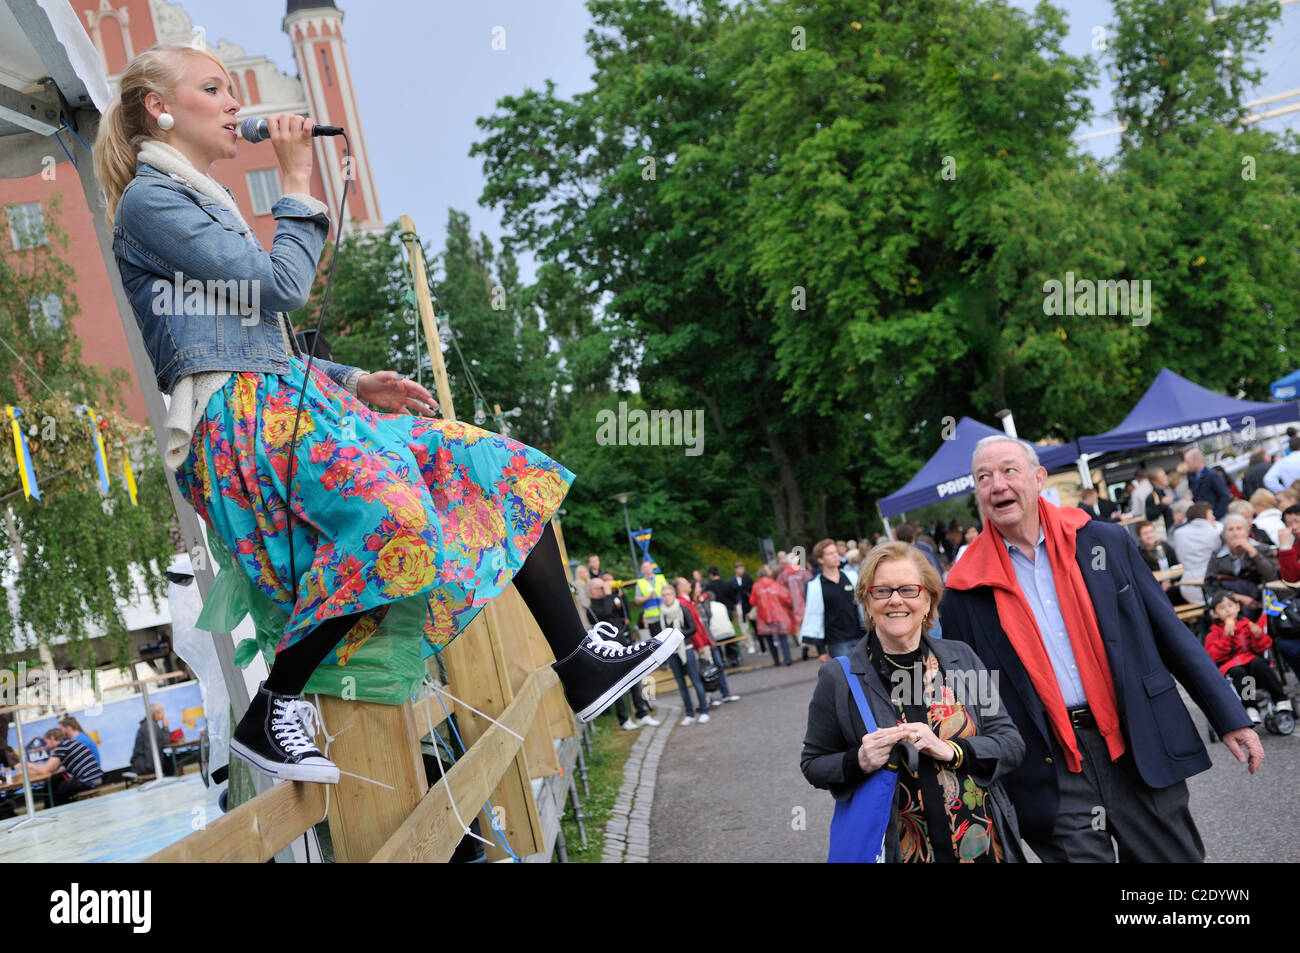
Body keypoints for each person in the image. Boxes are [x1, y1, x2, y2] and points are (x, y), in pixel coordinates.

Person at [96, 44, 681, 783]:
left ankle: (580, 661)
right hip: (234, 425)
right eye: (214, 88)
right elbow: (277, 290)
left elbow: (259, 337)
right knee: (392, 515)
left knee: (489, 464)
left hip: (285, 399)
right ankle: (274, 706)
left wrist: (355, 380)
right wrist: (298, 181)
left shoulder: (201, 200)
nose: (234, 105)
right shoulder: (153, 202)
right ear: (162, 108)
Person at [941, 436, 1260, 863]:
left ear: (1038, 479)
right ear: (977, 493)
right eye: (984, 477)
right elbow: (971, 694)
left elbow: (1171, 634)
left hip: (1135, 742)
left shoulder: (1103, 542)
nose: (997, 484)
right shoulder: (965, 588)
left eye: (1008, 471)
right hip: (1050, 763)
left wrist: (1229, 716)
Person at [801, 542, 1025, 862]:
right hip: (901, 853)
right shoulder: (839, 678)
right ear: (867, 600)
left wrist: (952, 749)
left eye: (907, 589)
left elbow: (1011, 743)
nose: (895, 600)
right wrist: (859, 760)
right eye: (882, 591)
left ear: (928, 598)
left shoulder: (962, 657)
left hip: (983, 847)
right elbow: (813, 763)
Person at [1204, 593, 1291, 728]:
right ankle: (1251, 706)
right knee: (1240, 673)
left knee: (1259, 663)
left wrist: (1258, 635)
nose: (1227, 610)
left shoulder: (1247, 625)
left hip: (1253, 665)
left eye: (1230, 606)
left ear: (1238, 607)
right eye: (1222, 608)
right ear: (1215, 614)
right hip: (1233, 670)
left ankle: (1280, 699)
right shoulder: (1214, 634)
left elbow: (1263, 646)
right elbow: (1214, 656)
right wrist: (1226, 636)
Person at [586, 577, 657, 730]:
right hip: (611, 652)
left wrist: (618, 595)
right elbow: (604, 613)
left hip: (623, 643)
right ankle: (624, 719)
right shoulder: (591, 608)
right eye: (600, 588)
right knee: (619, 685)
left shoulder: (609, 599)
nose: (604, 590)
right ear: (592, 591)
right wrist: (608, 595)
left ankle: (642, 713)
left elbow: (623, 612)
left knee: (635, 678)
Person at [676, 579, 739, 706]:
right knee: (707, 670)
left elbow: (706, 618)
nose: (701, 589)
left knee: (717, 667)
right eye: (698, 586)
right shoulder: (686, 603)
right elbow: (695, 626)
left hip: (708, 638)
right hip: (702, 642)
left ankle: (723, 694)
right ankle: (708, 700)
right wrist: (700, 643)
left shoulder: (696, 602)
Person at [800, 538, 863, 662]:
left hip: (861, 637)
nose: (836, 556)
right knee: (848, 678)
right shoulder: (815, 586)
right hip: (837, 642)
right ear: (820, 559)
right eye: (830, 554)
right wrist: (821, 651)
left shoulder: (851, 577)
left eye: (836, 552)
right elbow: (815, 616)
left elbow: (863, 606)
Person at [1204, 513, 1277, 612]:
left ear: (1247, 532)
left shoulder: (1262, 549)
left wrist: (1252, 552)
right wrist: (1235, 597)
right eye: (1230, 529)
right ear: (1225, 534)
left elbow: (1272, 576)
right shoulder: (1218, 554)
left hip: (1259, 600)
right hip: (1228, 599)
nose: (1235, 533)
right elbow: (1210, 583)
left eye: (1239, 529)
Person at [657, 585, 708, 725]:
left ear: (674, 595)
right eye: (664, 595)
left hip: (686, 649)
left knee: (695, 680)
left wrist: (677, 635)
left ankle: (704, 711)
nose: (666, 597)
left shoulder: (682, 609)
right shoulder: (661, 613)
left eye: (669, 594)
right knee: (681, 684)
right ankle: (689, 714)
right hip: (672, 653)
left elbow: (693, 628)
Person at [28, 728, 103, 805]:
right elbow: (56, 769)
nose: (46, 746)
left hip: (88, 781)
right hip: (97, 778)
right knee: (58, 783)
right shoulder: (71, 743)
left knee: (55, 792)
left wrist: (27, 764)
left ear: (52, 738)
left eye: (46, 742)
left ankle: (59, 811)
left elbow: (45, 770)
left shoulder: (62, 747)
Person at [1173, 503, 1223, 605]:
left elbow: (1180, 558)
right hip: (1213, 583)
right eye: (1211, 514)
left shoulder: (1178, 533)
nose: (1214, 517)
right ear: (1205, 515)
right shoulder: (1215, 531)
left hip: (1187, 585)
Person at [750, 565, 795, 666]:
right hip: (778, 615)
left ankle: (776, 660)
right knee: (783, 638)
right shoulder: (775, 584)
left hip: (764, 616)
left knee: (769, 640)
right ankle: (787, 659)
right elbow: (785, 597)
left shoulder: (756, 586)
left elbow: (752, 601)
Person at [1136, 521, 1179, 607]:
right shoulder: (1138, 554)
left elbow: (1175, 565)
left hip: (1172, 584)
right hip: (1154, 590)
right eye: (1145, 533)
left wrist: (1170, 582)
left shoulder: (1164, 546)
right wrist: (1160, 587)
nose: (1149, 535)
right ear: (1139, 537)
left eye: (1151, 532)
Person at [1183, 448, 1231, 519]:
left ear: (1196, 460)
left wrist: (1215, 515)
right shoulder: (1193, 477)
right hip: (1203, 519)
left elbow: (1225, 496)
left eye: (1188, 462)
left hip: (1215, 519)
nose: (1187, 465)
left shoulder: (1212, 475)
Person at [130, 703, 176, 776]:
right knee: (175, 761)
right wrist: (165, 727)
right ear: (156, 714)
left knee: (172, 760)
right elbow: (164, 740)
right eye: (162, 711)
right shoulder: (152, 726)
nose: (164, 713)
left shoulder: (148, 725)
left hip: (140, 763)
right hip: (146, 765)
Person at [1144, 467, 1176, 532]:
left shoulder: (1169, 490)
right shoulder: (1153, 496)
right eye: (1162, 477)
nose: (1166, 478)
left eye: (1165, 475)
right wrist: (1162, 504)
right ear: (1155, 481)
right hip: (1168, 531)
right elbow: (1150, 516)